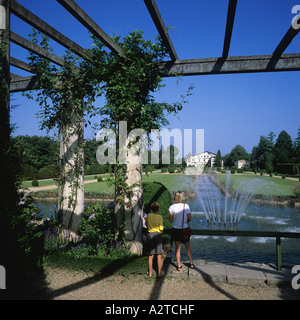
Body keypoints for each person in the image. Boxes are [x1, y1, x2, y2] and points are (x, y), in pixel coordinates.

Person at [169, 191, 194, 270]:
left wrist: (176, 221)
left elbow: (170, 219)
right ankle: (191, 263)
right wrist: (185, 222)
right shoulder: (186, 206)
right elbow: (189, 218)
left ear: (175, 197)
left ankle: (179, 265)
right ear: (183, 197)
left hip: (175, 229)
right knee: (188, 246)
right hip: (184, 229)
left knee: (177, 248)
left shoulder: (172, 207)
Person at [146, 202, 164, 278]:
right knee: (159, 254)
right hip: (158, 235)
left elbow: (146, 224)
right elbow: (161, 228)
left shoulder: (148, 216)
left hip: (150, 234)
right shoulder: (160, 217)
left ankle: (150, 273)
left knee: (151, 255)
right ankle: (159, 273)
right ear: (158, 209)